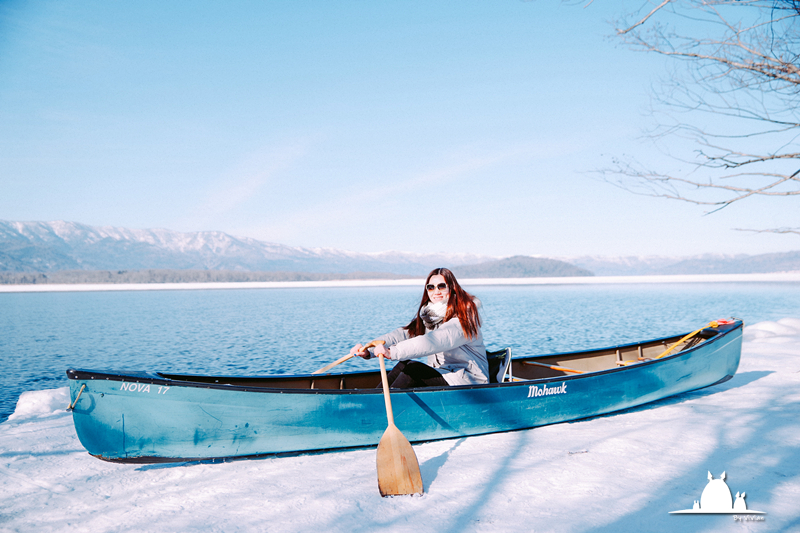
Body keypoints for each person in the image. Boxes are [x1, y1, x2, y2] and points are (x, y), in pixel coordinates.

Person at [350, 267, 489, 388]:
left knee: (415, 369)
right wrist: (369, 349)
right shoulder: (431, 318)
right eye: (431, 287)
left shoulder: (465, 318)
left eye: (441, 286)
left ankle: (380, 409)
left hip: (469, 381)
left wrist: (393, 352)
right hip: (445, 374)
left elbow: (437, 340)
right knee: (404, 363)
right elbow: (403, 335)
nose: (436, 291)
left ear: (452, 288)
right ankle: (372, 403)